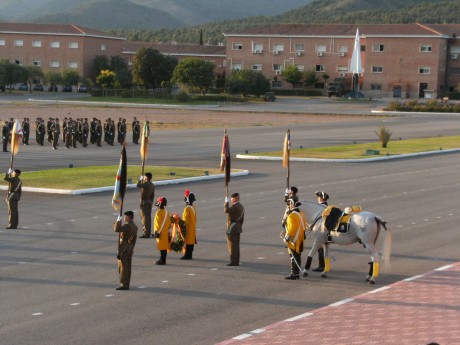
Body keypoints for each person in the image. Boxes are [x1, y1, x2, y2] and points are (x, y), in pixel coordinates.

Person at [114, 210, 138, 290]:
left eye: (125, 216)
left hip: (124, 248)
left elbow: (116, 229)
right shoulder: (134, 226)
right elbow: (134, 239)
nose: (124, 217)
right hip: (129, 247)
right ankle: (126, 283)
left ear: (129, 217)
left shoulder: (128, 226)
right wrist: (131, 247)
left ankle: (123, 284)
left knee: (123, 267)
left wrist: (118, 220)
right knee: (128, 266)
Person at [283, 199, 306, 279]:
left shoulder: (292, 215)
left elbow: (291, 230)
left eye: (289, 204)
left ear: (292, 204)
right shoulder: (301, 213)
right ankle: (297, 274)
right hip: (300, 238)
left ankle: (294, 274)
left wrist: (286, 238)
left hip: (294, 239)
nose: (288, 206)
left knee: (292, 256)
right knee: (298, 255)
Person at [224, 192, 244, 266]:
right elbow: (242, 219)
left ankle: (233, 261)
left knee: (232, 246)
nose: (231, 199)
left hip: (232, 227)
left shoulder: (235, 207)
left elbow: (226, 210)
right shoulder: (241, 206)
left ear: (235, 198)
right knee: (236, 245)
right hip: (238, 227)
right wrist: (238, 226)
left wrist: (226, 202)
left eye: (232, 198)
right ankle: (236, 261)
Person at [312, 190, 329, 272]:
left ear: (322, 198)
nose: (317, 199)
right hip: (324, 229)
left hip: (322, 230)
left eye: (318, 197)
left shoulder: (321, 207)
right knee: (321, 248)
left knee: (320, 248)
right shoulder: (325, 206)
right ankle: (322, 265)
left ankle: (322, 266)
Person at [153, 197, 171, 265]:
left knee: (161, 247)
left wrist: (156, 232)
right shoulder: (166, 212)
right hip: (165, 231)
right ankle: (163, 259)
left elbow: (157, 224)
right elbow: (169, 223)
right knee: (164, 246)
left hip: (160, 232)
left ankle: (162, 260)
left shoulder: (158, 212)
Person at [137, 172, 155, 238]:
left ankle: (146, 233)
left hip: (144, 203)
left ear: (146, 177)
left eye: (144, 177)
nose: (144, 178)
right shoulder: (152, 185)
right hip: (149, 202)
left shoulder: (145, 183)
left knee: (144, 219)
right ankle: (148, 232)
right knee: (148, 218)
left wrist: (140, 179)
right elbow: (153, 195)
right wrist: (150, 202)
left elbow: (138, 185)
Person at [181, 190, 197, 260]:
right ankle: (189, 255)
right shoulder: (193, 207)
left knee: (188, 242)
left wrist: (182, 227)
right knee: (191, 242)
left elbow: (185, 220)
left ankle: (187, 255)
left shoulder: (187, 209)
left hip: (188, 228)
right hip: (192, 227)